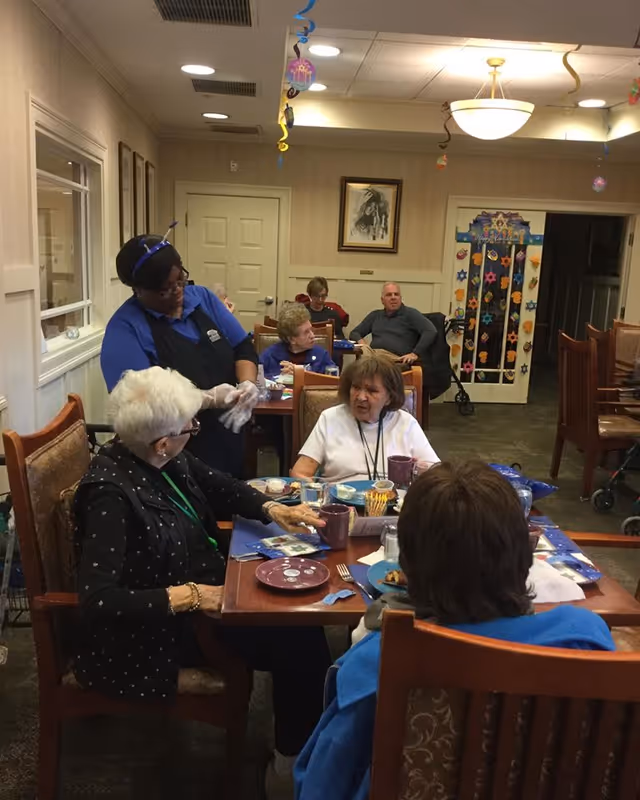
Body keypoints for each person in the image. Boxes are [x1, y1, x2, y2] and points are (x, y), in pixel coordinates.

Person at [73, 367, 331, 797]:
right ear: (162, 441)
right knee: (300, 640)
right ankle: (291, 769)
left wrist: (272, 509)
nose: (195, 430)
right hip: (162, 631)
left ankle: (301, 749)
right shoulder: (110, 494)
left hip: (205, 591)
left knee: (300, 625)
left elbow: (223, 487)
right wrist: (191, 595)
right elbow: (98, 601)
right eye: (190, 426)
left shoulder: (159, 456)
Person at [294, 461, 616, 800]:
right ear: (524, 552)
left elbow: (321, 785)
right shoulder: (586, 638)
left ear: (407, 565)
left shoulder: (377, 663)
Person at [101, 231, 259, 477]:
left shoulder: (203, 298)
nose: (178, 291)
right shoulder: (125, 329)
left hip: (228, 435)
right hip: (171, 457)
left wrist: (248, 382)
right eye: (165, 289)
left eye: (180, 280)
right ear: (139, 290)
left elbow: (242, 347)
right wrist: (206, 398)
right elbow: (139, 408)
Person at [290, 355, 439, 483]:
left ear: (389, 397)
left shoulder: (405, 422)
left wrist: (420, 470)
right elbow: (300, 473)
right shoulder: (330, 418)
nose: (361, 397)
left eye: (372, 390)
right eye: (356, 387)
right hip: (340, 505)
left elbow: (436, 475)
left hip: (394, 507)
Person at [350, 281, 437, 366]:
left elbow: (430, 331)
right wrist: (363, 344)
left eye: (396, 294)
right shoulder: (375, 315)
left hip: (395, 360)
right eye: (389, 295)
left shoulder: (410, 314)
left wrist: (415, 354)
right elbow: (354, 333)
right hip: (374, 356)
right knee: (359, 365)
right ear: (382, 300)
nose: (393, 297)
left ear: (400, 298)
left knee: (368, 368)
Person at [260, 303, 337, 380]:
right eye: (306, 332)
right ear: (292, 339)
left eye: (311, 329)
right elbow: (258, 381)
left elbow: (333, 382)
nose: (312, 335)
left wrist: (302, 375)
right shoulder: (270, 356)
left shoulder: (321, 356)